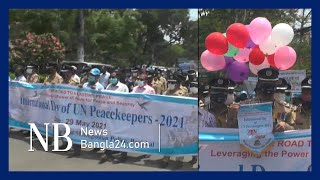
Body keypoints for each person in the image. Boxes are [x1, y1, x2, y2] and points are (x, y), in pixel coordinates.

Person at [227, 68, 296, 132]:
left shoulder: (287, 110)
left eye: (271, 85)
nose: (268, 88)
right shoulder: (244, 107)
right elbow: (231, 131)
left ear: (275, 87)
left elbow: (298, 133)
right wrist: (233, 115)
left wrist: (286, 127)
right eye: (265, 85)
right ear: (258, 85)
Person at [160, 72, 189, 169]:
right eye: (170, 82)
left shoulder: (184, 91)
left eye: (173, 82)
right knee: (167, 140)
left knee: (179, 141)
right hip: (168, 120)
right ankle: (165, 158)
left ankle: (179, 160)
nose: (170, 84)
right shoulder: (166, 91)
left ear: (178, 83)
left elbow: (187, 105)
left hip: (180, 120)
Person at [99, 71, 129, 164]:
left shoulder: (123, 87)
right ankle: (108, 153)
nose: (112, 79)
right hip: (110, 114)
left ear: (118, 78)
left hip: (120, 115)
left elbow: (127, 101)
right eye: (110, 77)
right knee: (109, 134)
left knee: (121, 135)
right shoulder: (108, 86)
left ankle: (123, 155)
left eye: (113, 77)